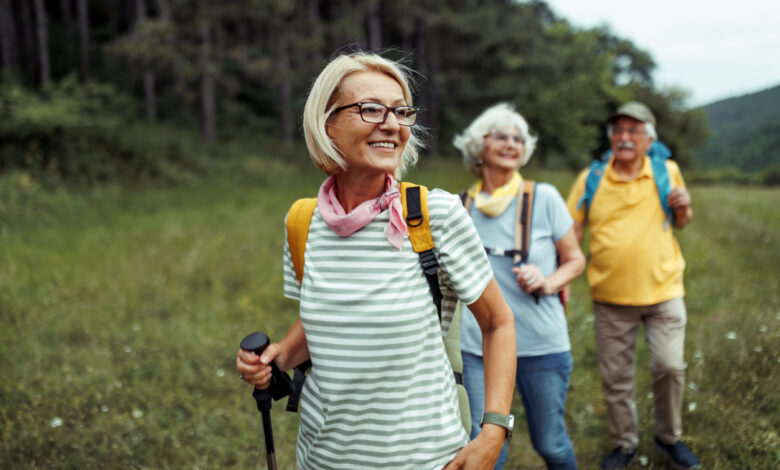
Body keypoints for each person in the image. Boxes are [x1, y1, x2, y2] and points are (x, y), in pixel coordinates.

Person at [236, 52, 517, 470]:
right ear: (327, 121)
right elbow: (325, 324)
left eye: (401, 112)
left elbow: (498, 323)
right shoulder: (302, 221)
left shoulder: (434, 214)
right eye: (370, 109)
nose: (391, 124)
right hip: (322, 457)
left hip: (424, 458)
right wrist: (277, 356)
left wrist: (494, 430)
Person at [565, 102, 700, 470]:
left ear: (649, 138)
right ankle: (624, 443)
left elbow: (682, 220)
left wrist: (685, 206)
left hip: (664, 291)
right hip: (610, 298)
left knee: (670, 367)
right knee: (616, 378)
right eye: (619, 130)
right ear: (612, 138)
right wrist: (562, 276)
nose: (625, 137)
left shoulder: (666, 170)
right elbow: (572, 231)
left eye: (634, 130)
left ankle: (668, 437)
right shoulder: (591, 177)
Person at [453, 103, 585, 470]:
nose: (512, 143)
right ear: (479, 146)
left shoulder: (544, 198)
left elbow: (575, 260)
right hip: (477, 348)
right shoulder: (459, 207)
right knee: (486, 450)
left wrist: (547, 282)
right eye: (501, 136)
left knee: (551, 443)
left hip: (540, 344)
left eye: (518, 138)